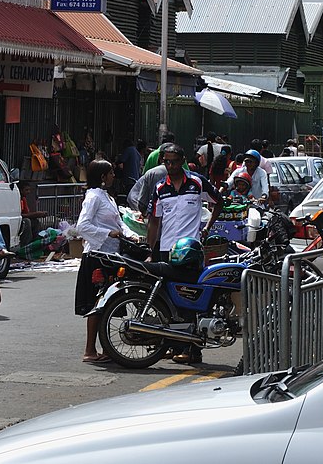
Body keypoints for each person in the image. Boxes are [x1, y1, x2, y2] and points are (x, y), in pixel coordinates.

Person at [146, 144, 222, 364]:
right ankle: (173, 343)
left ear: (182, 160)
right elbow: (154, 222)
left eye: (174, 161)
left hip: (190, 251)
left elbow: (219, 202)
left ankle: (192, 349)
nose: (170, 166)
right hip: (165, 249)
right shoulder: (160, 188)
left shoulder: (197, 183)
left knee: (189, 300)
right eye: (166, 162)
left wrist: (207, 228)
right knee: (167, 301)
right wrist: (150, 251)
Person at [75, 159, 139, 363]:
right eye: (111, 173)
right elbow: (82, 226)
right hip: (96, 256)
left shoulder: (107, 198)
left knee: (108, 302)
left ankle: (106, 348)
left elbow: (120, 224)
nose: (114, 176)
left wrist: (131, 234)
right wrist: (106, 233)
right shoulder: (93, 197)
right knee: (97, 303)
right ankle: (89, 350)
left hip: (111, 256)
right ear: (103, 177)